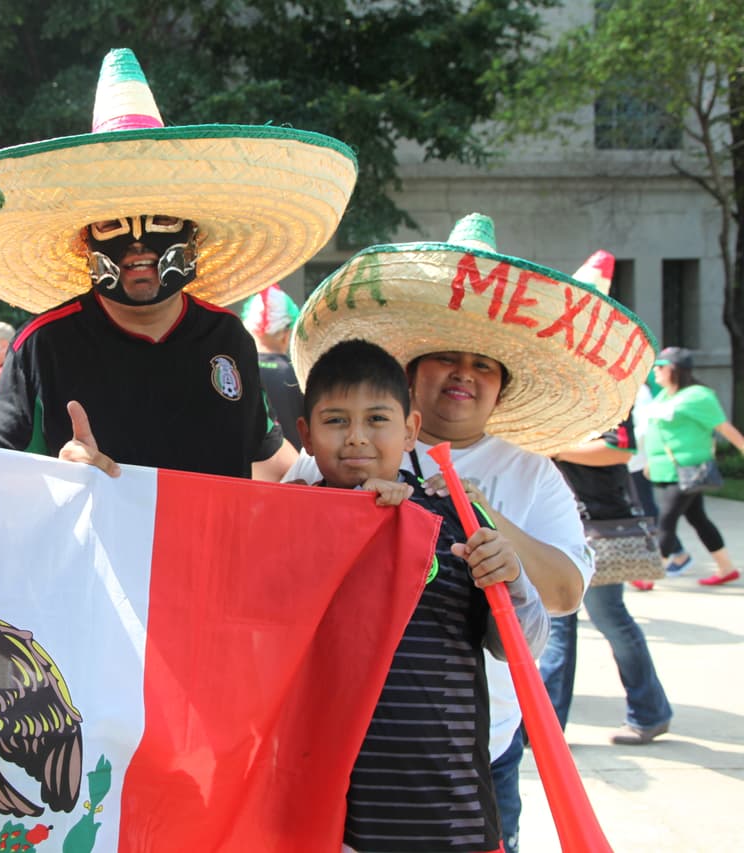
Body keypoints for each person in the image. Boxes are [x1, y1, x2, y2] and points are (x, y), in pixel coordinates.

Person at [286, 216, 655, 853]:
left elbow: (564, 594)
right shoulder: (339, 460)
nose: (464, 373)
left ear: (499, 387)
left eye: (482, 365)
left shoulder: (532, 473)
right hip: (341, 748)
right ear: (413, 383)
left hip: (478, 747)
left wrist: (480, 516)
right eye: (447, 358)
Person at [0, 47, 357, 479]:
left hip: (205, 551)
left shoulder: (228, 338)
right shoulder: (42, 347)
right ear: (85, 243)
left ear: (194, 234)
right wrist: (54, 475)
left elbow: (269, 458)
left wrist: (354, 485)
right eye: (113, 225)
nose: (139, 246)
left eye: (162, 220)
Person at [297, 339, 548, 853]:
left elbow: (520, 645)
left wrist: (513, 578)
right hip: (326, 817)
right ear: (306, 434)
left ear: (411, 428)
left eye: (378, 420)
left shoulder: (455, 517)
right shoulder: (290, 521)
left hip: (449, 814)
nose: (358, 439)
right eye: (337, 421)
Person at [542, 414, 674, 745]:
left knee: (605, 620)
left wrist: (556, 449)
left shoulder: (607, 398)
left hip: (598, 526)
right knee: (564, 624)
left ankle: (648, 713)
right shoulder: (555, 400)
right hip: (560, 524)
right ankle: (546, 727)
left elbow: (619, 449)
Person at [645, 345, 744, 585]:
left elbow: (724, 428)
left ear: (675, 369)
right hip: (669, 470)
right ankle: (726, 567)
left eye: (660, 367)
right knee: (698, 518)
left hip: (688, 470)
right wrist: (649, 461)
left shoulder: (698, 395)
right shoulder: (665, 395)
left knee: (666, 519)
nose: (655, 371)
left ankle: (650, 575)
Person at [240, 283, 305, 450]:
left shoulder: (235, 371)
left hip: (246, 471)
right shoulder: (297, 373)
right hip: (294, 470)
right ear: (286, 334)